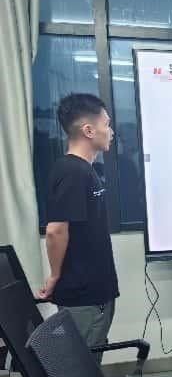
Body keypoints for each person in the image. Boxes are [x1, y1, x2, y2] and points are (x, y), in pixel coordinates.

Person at [38, 94, 119, 363]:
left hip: (95, 288)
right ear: (88, 130)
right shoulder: (72, 171)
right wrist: (54, 276)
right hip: (83, 292)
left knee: (90, 360)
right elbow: (55, 230)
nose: (111, 131)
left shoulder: (85, 169)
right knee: (82, 367)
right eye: (106, 124)